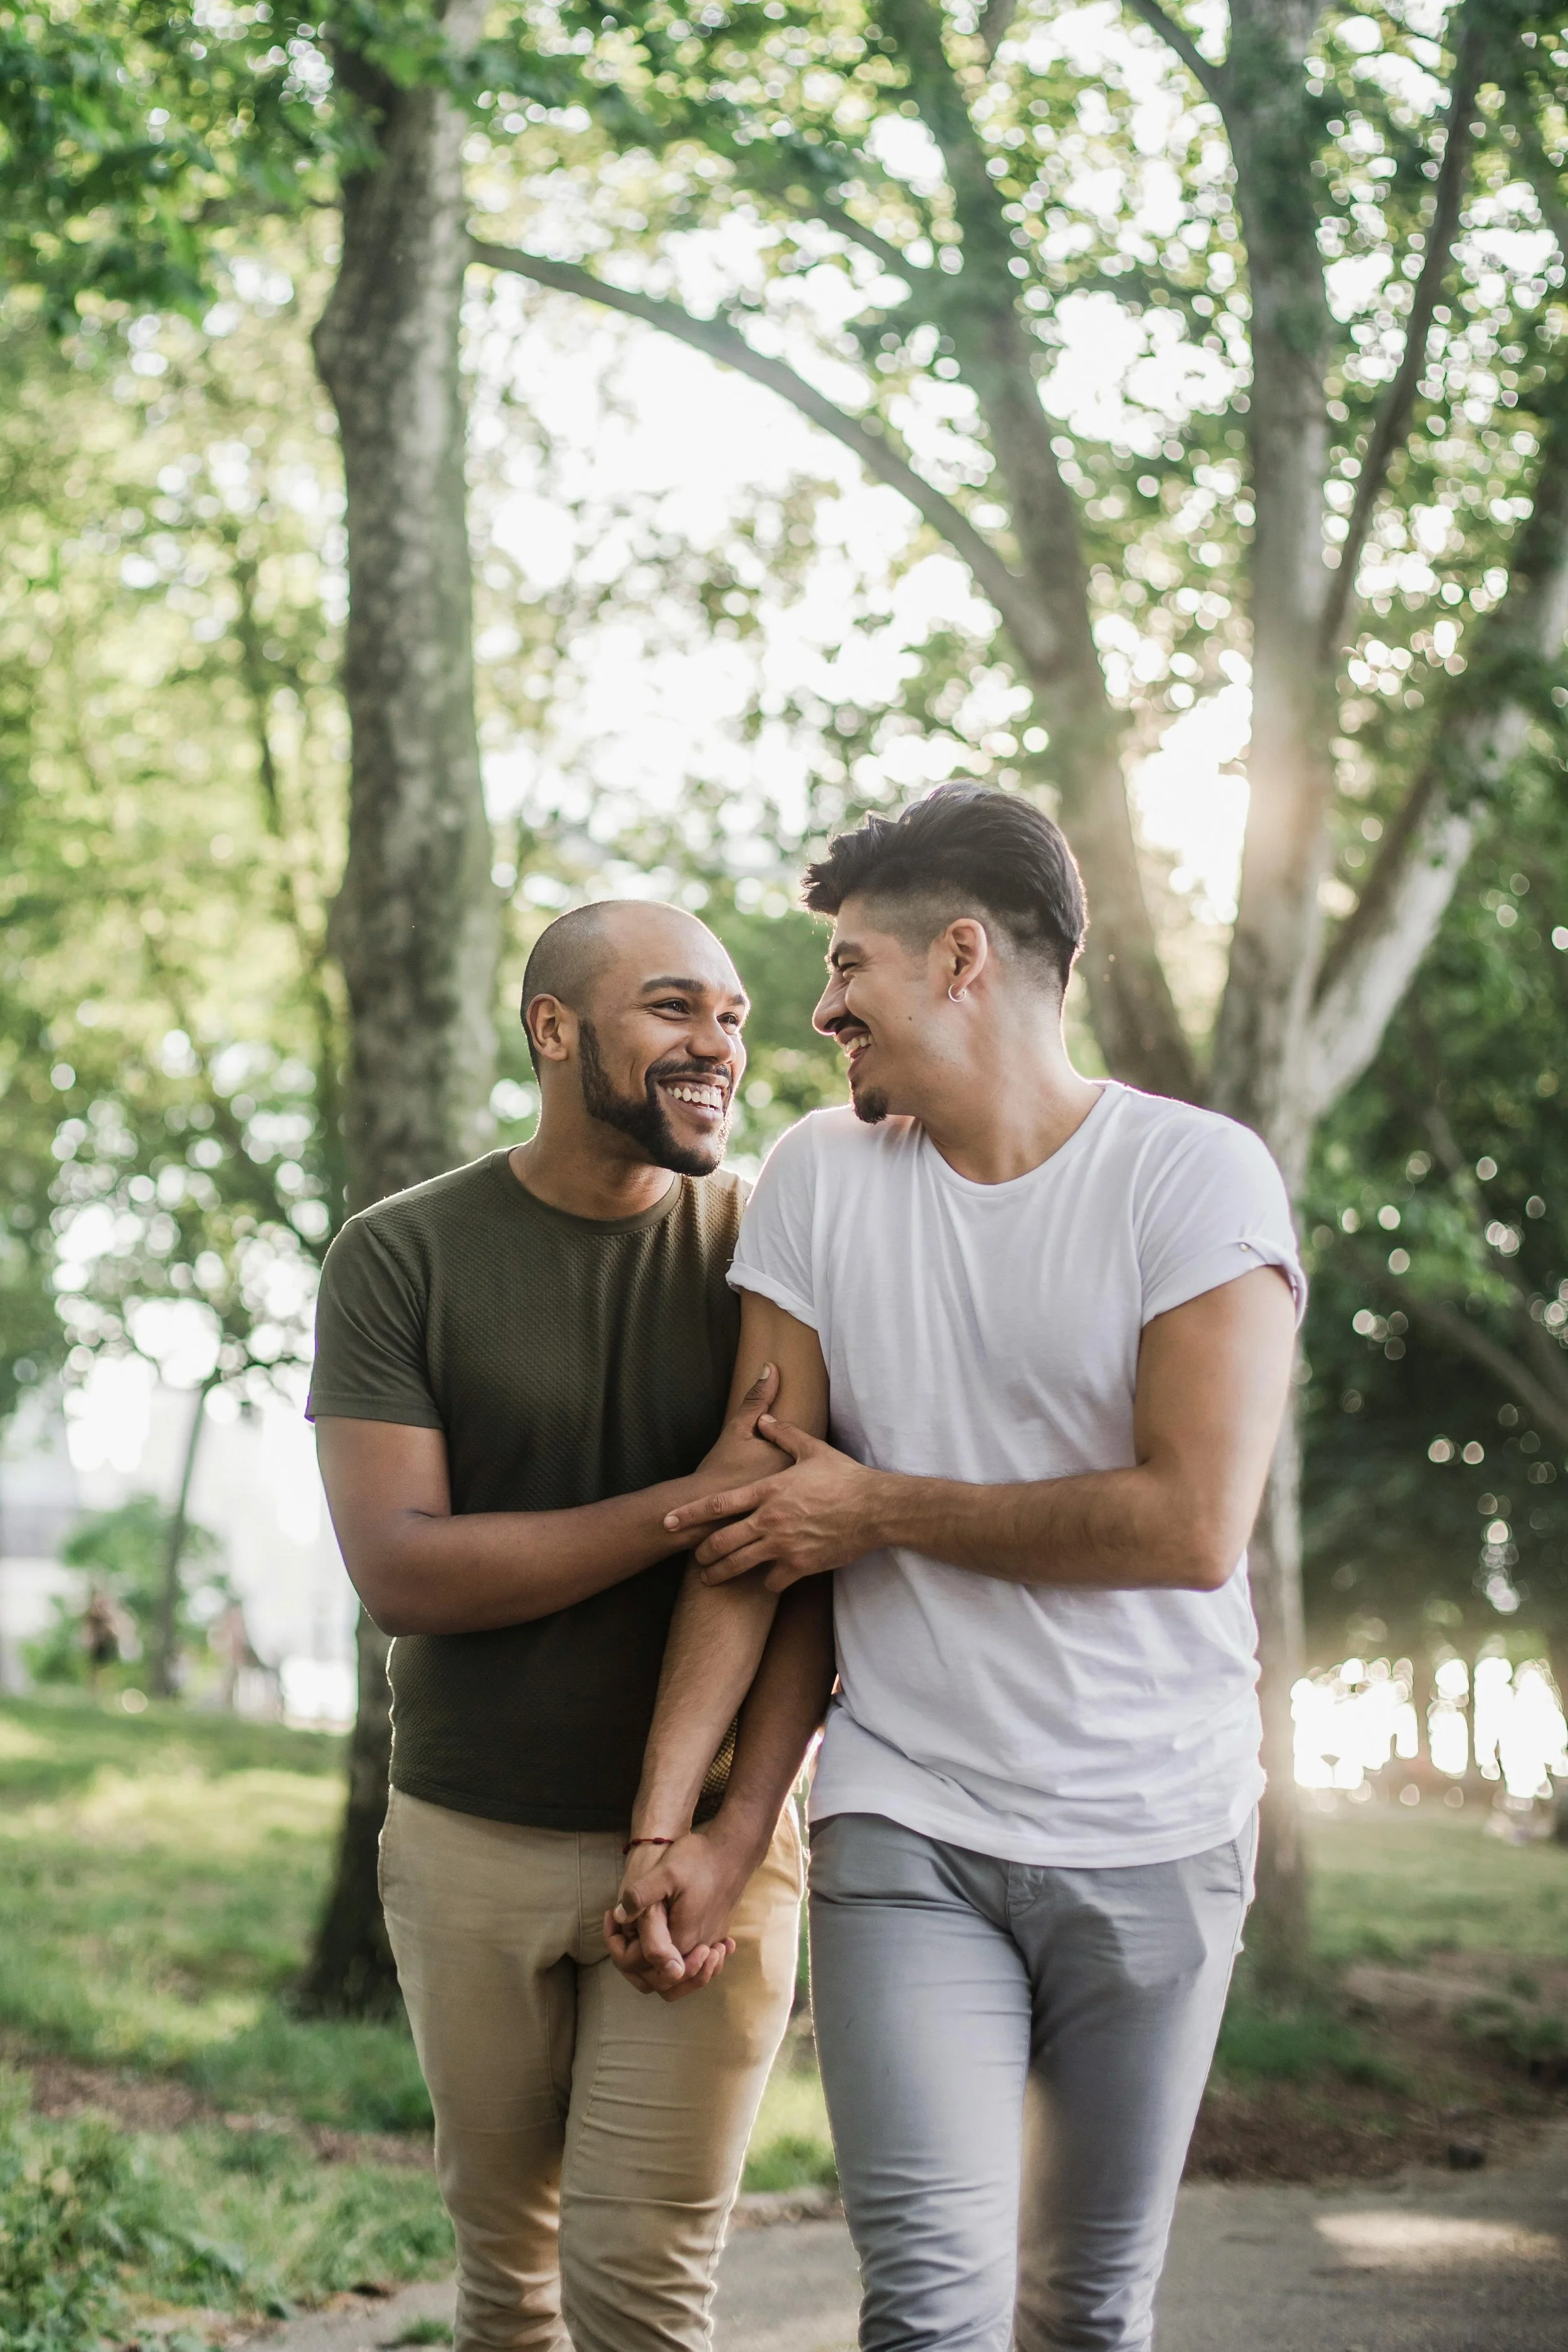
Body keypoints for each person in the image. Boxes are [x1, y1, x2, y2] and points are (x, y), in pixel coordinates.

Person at [612, 787, 1303, 2352]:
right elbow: (763, 1522)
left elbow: (1186, 1526)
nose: (819, 1006)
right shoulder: (819, 1177)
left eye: (849, 964)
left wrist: (880, 1513)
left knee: (1083, 2308)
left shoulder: (1192, 1180)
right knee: (926, 2312)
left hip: (1157, 1826)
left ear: (963, 959)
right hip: (909, 1821)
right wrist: (695, 1827)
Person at [309, 899, 831, 2352]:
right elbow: (404, 1572)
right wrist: (689, 1499)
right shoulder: (398, 1255)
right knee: (505, 2285)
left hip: (714, 1856)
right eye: (673, 1009)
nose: (717, 1044)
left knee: (643, 2301)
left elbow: (800, 1560)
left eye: (729, 1016)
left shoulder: (769, 1252)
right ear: (553, 1030)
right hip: (467, 1841)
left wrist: (732, 1832)